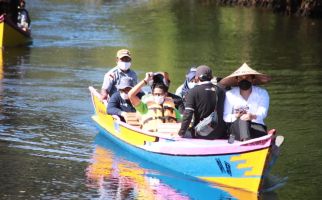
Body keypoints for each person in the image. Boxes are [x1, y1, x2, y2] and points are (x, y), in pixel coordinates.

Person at [220, 63, 271, 141]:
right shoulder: (229, 94)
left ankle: (260, 140)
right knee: (243, 120)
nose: (244, 80)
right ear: (237, 80)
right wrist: (236, 116)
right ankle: (246, 142)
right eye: (241, 78)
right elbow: (226, 116)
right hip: (235, 129)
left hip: (256, 126)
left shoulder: (262, 93)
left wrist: (252, 116)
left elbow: (262, 113)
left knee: (247, 121)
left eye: (247, 78)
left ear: (252, 79)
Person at [178, 65, 227, 139]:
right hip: (219, 134)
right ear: (211, 77)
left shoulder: (193, 92)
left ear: (197, 77)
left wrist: (181, 133)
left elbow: (188, 114)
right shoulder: (220, 91)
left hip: (200, 134)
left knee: (187, 131)